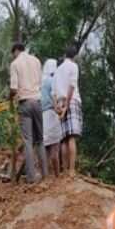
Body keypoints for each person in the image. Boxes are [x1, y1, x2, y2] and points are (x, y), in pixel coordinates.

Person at [10, 42, 47, 183]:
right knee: (40, 140)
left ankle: (31, 177)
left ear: (15, 51)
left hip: (25, 103)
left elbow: (13, 88)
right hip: (37, 102)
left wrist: (10, 98)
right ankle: (45, 175)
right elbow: (39, 82)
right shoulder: (36, 61)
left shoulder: (15, 64)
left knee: (28, 141)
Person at [54, 45, 82, 175]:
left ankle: (65, 170)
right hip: (71, 101)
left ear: (65, 55)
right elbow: (72, 86)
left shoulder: (58, 69)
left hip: (59, 102)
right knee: (71, 137)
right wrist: (67, 104)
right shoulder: (74, 66)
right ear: (75, 56)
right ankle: (71, 170)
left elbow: (53, 91)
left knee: (64, 138)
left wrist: (57, 106)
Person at [41, 58, 62, 176]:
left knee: (44, 146)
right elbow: (55, 97)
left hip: (42, 116)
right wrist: (59, 109)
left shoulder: (41, 83)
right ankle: (57, 175)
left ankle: (45, 175)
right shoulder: (53, 81)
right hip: (51, 114)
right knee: (55, 147)